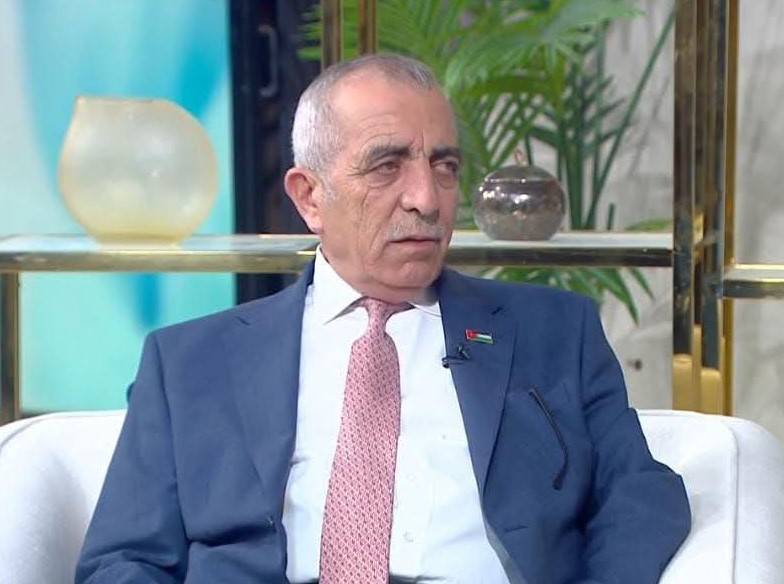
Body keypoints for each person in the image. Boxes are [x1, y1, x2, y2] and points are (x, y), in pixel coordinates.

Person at [76, 53, 690, 584]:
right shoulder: (190, 362)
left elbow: (640, 496)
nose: (426, 199)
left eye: (444, 167)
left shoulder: (554, 331)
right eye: (386, 165)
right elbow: (125, 558)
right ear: (309, 196)